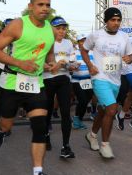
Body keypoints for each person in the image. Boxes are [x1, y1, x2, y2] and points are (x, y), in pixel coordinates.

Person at [0, 0, 55, 175]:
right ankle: (1, 130)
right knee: (7, 124)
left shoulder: (49, 28)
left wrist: (51, 64)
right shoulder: (18, 25)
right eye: (40, 5)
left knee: (40, 126)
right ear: (31, 6)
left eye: (47, 5)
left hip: (36, 83)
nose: (45, 8)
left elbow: (49, 55)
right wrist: (21, 63)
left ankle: (37, 170)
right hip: (12, 82)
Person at [82, 7, 132, 158]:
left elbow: (130, 55)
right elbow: (84, 49)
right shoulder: (96, 35)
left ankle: (92, 135)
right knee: (112, 110)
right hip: (100, 78)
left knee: (104, 111)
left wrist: (129, 58)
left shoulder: (124, 37)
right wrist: (90, 66)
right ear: (106, 21)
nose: (116, 23)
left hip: (115, 80)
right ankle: (105, 145)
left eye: (118, 20)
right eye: (113, 20)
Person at [43, 16, 77, 158]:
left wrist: (69, 65)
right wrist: (54, 66)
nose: (62, 31)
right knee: (47, 111)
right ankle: (45, 137)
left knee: (65, 113)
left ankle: (66, 146)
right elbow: (40, 65)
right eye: (58, 28)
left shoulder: (68, 43)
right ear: (51, 29)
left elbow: (72, 65)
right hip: (48, 79)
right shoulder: (44, 42)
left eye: (64, 29)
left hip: (64, 79)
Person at [71, 34, 94, 130]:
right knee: (82, 100)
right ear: (78, 43)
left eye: (85, 40)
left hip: (89, 81)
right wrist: (74, 66)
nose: (84, 43)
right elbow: (70, 65)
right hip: (77, 81)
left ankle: (79, 119)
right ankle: (76, 120)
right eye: (81, 41)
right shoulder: (74, 53)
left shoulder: (92, 52)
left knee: (85, 101)